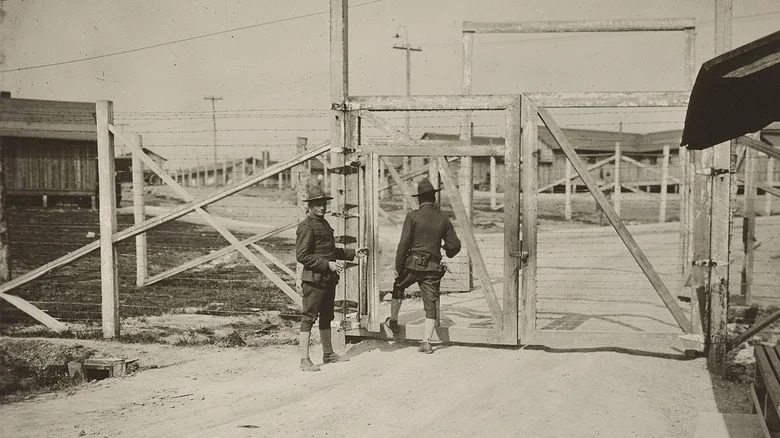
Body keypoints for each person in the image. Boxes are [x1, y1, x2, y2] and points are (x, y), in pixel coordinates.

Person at [296, 185, 368, 372]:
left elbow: (330, 251)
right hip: (313, 280)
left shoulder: (325, 224)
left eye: (323, 204)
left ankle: (328, 354)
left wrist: (352, 253)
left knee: (327, 316)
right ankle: (304, 360)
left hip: (328, 279)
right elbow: (302, 255)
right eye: (318, 204)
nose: (322, 207)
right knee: (309, 318)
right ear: (310, 206)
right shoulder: (306, 226)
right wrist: (327, 265)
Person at [388, 178, 461, 354]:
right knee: (430, 303)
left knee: (398, 287)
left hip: (412, 266)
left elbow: (403, 244)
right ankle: (426, 342)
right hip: (432, 268)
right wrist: (443, 248)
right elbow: (455, 246)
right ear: (434, 198)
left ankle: (394, 320)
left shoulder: (412, 216)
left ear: (420, 199)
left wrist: (398, 267)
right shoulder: (443, 218)